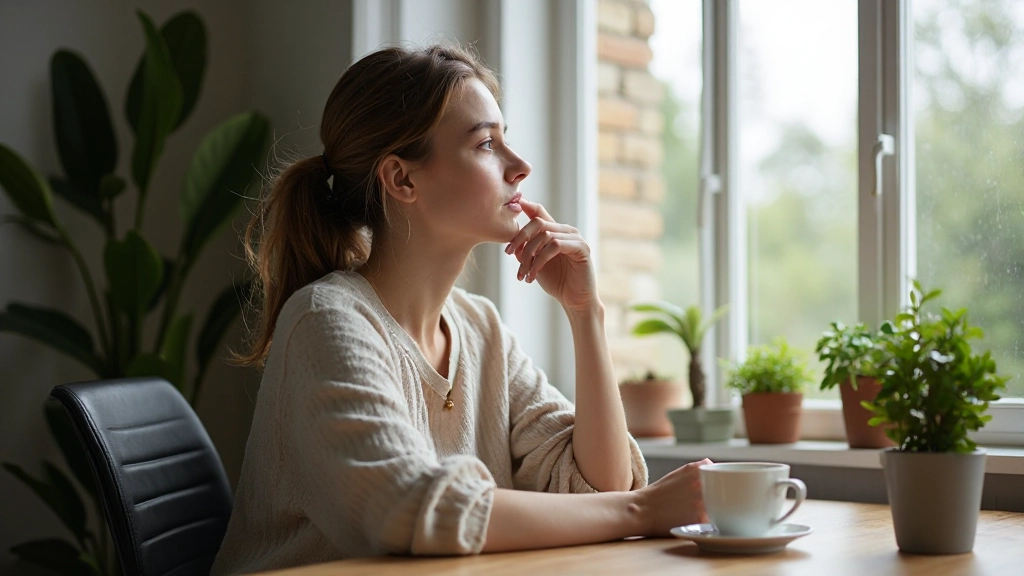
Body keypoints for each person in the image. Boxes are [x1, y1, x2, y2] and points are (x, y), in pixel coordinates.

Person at [211, 43, 710, 575]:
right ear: (402, 179)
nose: (520, 166)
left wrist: (585, 314)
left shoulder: (481, 328)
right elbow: (410, 511)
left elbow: (593, 484)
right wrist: (644, 509)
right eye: (486, 144)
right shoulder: (326, 320)